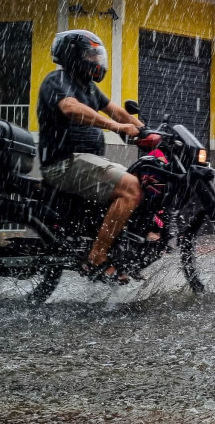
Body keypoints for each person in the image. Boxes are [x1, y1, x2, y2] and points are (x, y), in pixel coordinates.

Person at [37, 29, 144, 285]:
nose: (97, 61)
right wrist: (117, 128)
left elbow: (116, 111)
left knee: (140, 178)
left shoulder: (89, 88)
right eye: (91, 55)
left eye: (98, 55)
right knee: (130, 189)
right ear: (74, 56)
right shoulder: (58, 80)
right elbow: (70, 108)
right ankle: (96, 258)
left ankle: (119, 250)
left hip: (82, 162)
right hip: (63, 163)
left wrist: (144, 130)